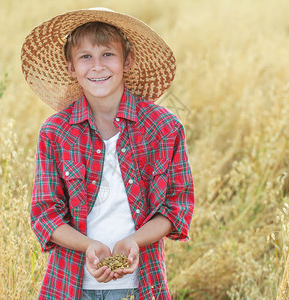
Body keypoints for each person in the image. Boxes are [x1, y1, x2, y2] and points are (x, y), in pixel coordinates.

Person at [21, 7, 194, 300]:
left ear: (127, 61)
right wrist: (89, 246)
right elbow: (45, 213)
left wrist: (134, 241)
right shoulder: (56, 132)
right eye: (85, 57)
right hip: (70, 283)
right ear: (70, 67)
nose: (97, 66)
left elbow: (176, 207)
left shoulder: (163, 127)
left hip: (140, 283)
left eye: (108, 55)